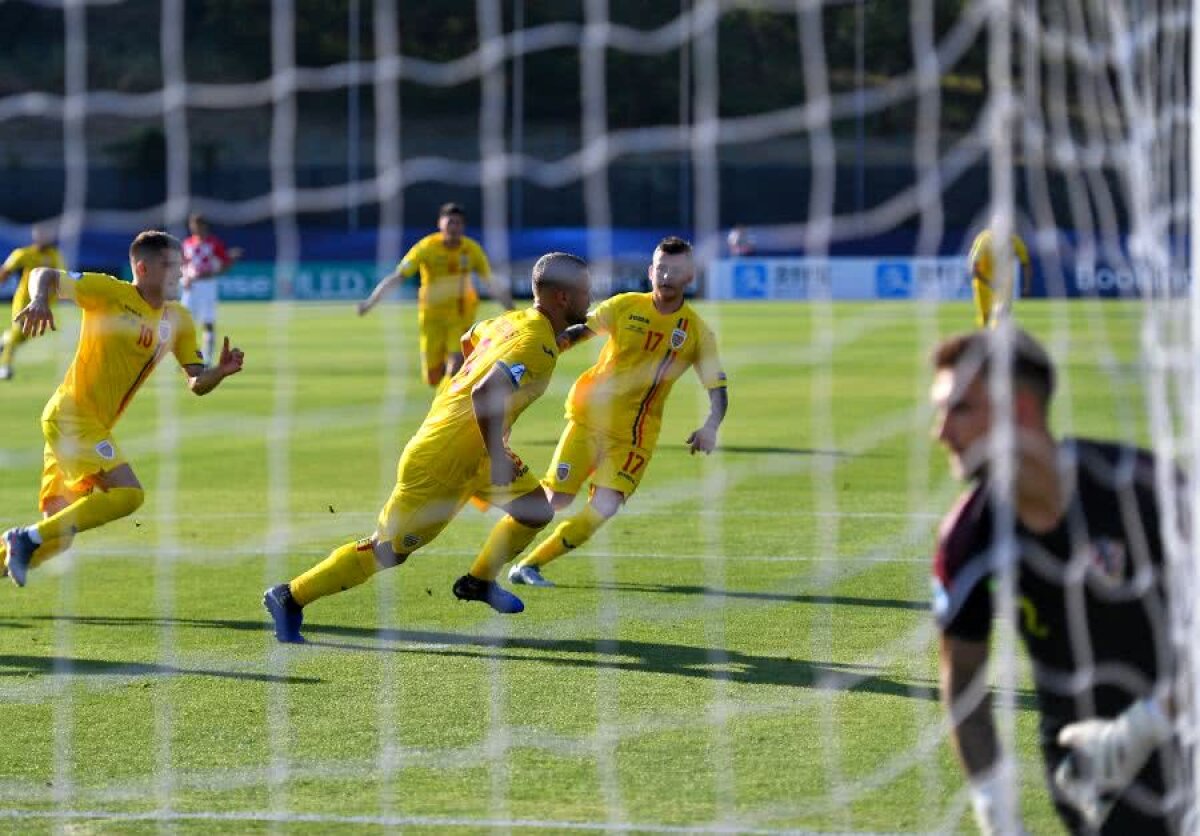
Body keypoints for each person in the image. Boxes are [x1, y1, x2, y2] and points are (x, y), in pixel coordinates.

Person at [264, 252, 591, 643]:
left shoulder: (513, 323)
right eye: (584, 292)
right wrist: (498, 450)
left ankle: (479, 582)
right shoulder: (534, 343)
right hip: (442, 458)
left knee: (536, 510)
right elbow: (487, 392)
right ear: (562, 298)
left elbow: (470, 338)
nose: (589, 297)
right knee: (388, 551)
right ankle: (290, 596)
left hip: (478, 456)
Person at [930, 327, 1182, 834]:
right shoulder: (967, 539)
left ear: (1017, 412)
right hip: (1086, 769)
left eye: (959, 409)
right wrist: (997, 814)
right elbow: (964, 687)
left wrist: (1144, 725)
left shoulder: (1143, 490)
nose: (940, 432)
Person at [1, 231, 245, 586]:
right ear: (143, 269)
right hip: (71, 415)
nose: (179, 272)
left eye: (181, 264)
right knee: (129, 494)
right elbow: (45, 275)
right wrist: (39, 299)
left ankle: (25, 541)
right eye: (170, 265)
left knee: (56, 541)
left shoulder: (178, 320)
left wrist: (218, 373)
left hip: (86, 426)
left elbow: (196, 383)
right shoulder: (110, 293)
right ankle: (22, 538)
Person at [507, 236, 728, 588]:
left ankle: (529, 566)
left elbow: (718, 389)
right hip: (588, 419)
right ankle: (495, 547)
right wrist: (531, 356)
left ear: (690, 276)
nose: (666, 275)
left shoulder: (698, 332)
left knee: (603, 509)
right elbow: (576, 333)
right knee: (555, 500)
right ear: (650, 271)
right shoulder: (626, 306)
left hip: (634, 438)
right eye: (661, 267)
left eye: (676, 269)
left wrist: (711, 425)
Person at [357, 202, 513, 388]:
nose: (454, 228)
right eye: (450, 222)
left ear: (463, 226)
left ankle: (447, 410)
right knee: (433, 378)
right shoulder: (426, 248)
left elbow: (491, 282)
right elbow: (398, 277)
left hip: (460, 316)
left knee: (455, 365)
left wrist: (511, 311)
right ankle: (446, 398)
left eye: (458, 223)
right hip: (431, 318)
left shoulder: (472, 250)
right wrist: (370, 302)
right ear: (440, 224)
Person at [0, 223, 66, 380]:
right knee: (18, 329)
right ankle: (5, 366)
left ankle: (3, 341)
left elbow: (62, 275)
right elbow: (6, 270)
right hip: (24, 300)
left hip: (44, 303)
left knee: (24, 334)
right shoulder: (24, 254)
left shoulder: (54, 255)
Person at [181, 213, 243, 366]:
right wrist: (184, 277)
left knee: (208, 323)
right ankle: (187, 358)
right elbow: (182, 264)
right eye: (193, 225)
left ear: (204, 226)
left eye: (198, 225)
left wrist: (215, 272)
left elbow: (225, 263)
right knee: (185, 324)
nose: (195, 228)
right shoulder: (187, 243)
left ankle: (207, 359)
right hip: (190, 287)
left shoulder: (213, 243)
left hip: (207, 286)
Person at [967, 225, 1031, 328]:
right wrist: (989, 283)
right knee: (985, 320)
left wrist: (1027, 286)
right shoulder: (985, 240)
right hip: (983, 284)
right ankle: (985, 340)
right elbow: (973, 268)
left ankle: (1000, 340)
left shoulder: (1014, 241)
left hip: (1004, 284)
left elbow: (1026, 263)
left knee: (1002, 315)